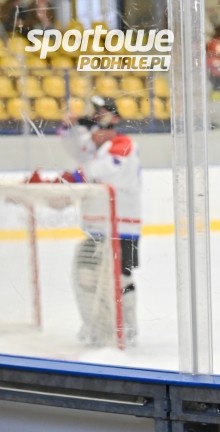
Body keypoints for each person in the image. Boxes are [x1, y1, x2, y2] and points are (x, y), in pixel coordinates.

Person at [28, 97, 142, 347]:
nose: (92, 135)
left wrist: (60, 182)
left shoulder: (123, 145)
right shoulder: (97, 149)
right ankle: (100, 325)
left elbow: (99, 171)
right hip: (98, 227)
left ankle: (125, 328)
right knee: (92, 278)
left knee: (119, 278)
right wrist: (71, 126)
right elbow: (77, 147)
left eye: (99, 127)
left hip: (122, 228)